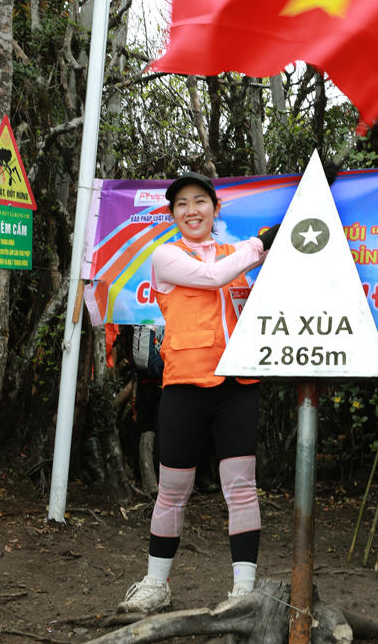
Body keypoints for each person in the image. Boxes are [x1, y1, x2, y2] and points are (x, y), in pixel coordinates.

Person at [118, 171, 278, 614]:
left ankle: (243, 591)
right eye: (182, 204)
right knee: (173, 488)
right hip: (186, 385)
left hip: (238, 386)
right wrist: (260, 245)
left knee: (241, 488)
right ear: (173, 215)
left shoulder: (239, 252)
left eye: (200, 201)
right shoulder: (167, 256)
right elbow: (211, 278)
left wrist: (279, 239)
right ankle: (155, 584)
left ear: (215, 209)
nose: (192, 210)